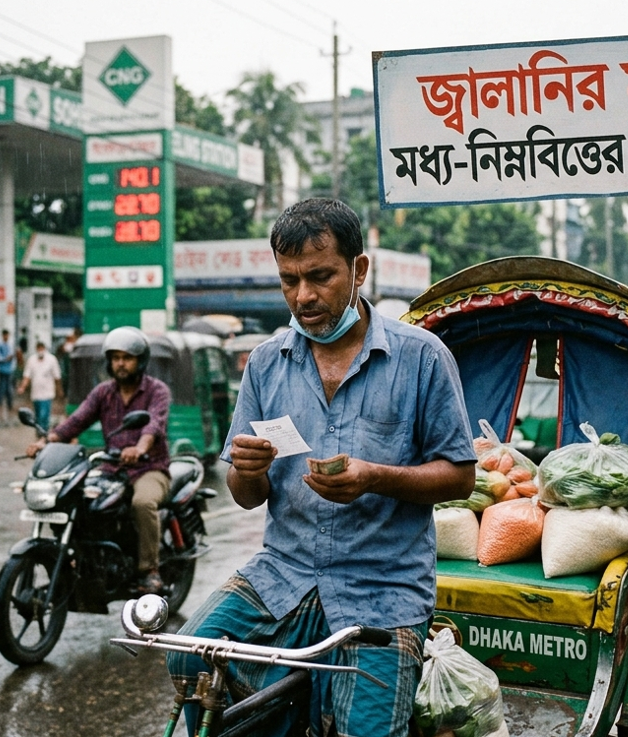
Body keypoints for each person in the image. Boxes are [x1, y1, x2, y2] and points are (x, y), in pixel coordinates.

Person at [165, 199, 475, 737]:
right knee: (190, 658)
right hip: (280, 574)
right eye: (289, 281)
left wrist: (376, 477)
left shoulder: (421, 357)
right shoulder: (265, 362)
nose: (303, 296)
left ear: (359, 270)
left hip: (383, 586)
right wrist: (248, 468)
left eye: (320, 276)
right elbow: (245, 494)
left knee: (367, 730)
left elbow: (460, 476)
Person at [25, 326, 171, 594]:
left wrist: (140, 447)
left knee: (142, 502)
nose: (120, 363)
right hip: (111, 467)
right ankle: (79, 560)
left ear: (140, 360)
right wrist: (45, 441)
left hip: (149, 468)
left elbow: (154, 424)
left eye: (127, 358)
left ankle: (150, 570)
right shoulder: (103, 392)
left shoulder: (156, 390)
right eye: (115, 358)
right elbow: (76, 421)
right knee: (76, 499)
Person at [18, 340, 61, 430]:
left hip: (47, 393)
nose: (40, 350)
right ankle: (39, 432)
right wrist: (22, 387)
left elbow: (57, 376)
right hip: (36, 393)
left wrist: (59, 389)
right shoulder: (31, 360)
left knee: (44, 415)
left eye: (42, 348)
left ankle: (43, 433)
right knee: (38, 415)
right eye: (39, 348)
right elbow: (27, 376)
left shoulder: (52, 360)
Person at [0, 329, 16, 423]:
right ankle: (0, 406)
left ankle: (10, 406)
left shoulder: (9, 345)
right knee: (2, 388)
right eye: (5, 335)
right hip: (2, 370)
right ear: (3, 335)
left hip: (9, 370)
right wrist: (5, 359)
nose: (6, 337)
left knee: (9, 389)